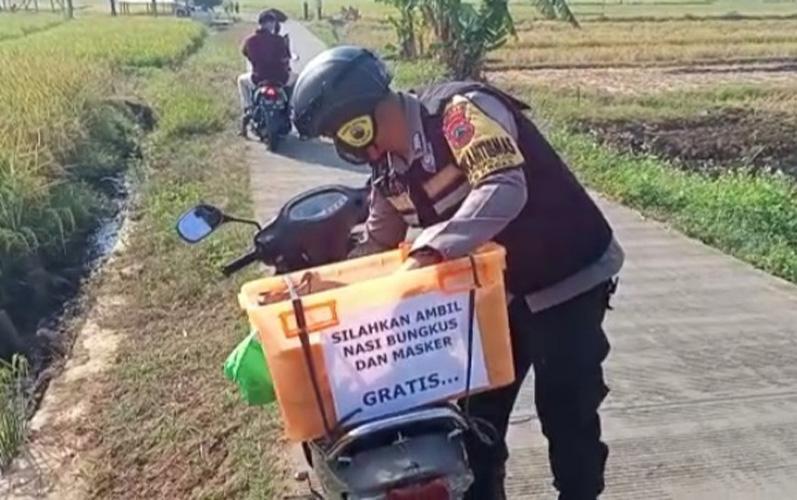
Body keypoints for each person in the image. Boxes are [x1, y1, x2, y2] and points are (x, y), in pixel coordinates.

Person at [291, 45, 625, 500]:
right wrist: (317, 293)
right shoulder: (387, 169)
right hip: (496, 295)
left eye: (341, 132)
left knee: (567, 411)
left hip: (568, 274)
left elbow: (503, 185)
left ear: (361, 115)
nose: (344, 145)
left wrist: (433, 249)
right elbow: (378, 239)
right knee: (474, 424)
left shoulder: (458, 113)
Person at [237, 10, 295, 136]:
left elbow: (245, 53)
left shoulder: (250, 40)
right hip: (281, 78)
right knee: (297, 80)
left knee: (241, 80)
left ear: (259, 24)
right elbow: (287, 57)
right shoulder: (280, 40)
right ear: (273, 24)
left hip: (258, 78)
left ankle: (247, 108)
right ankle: (289, 106)